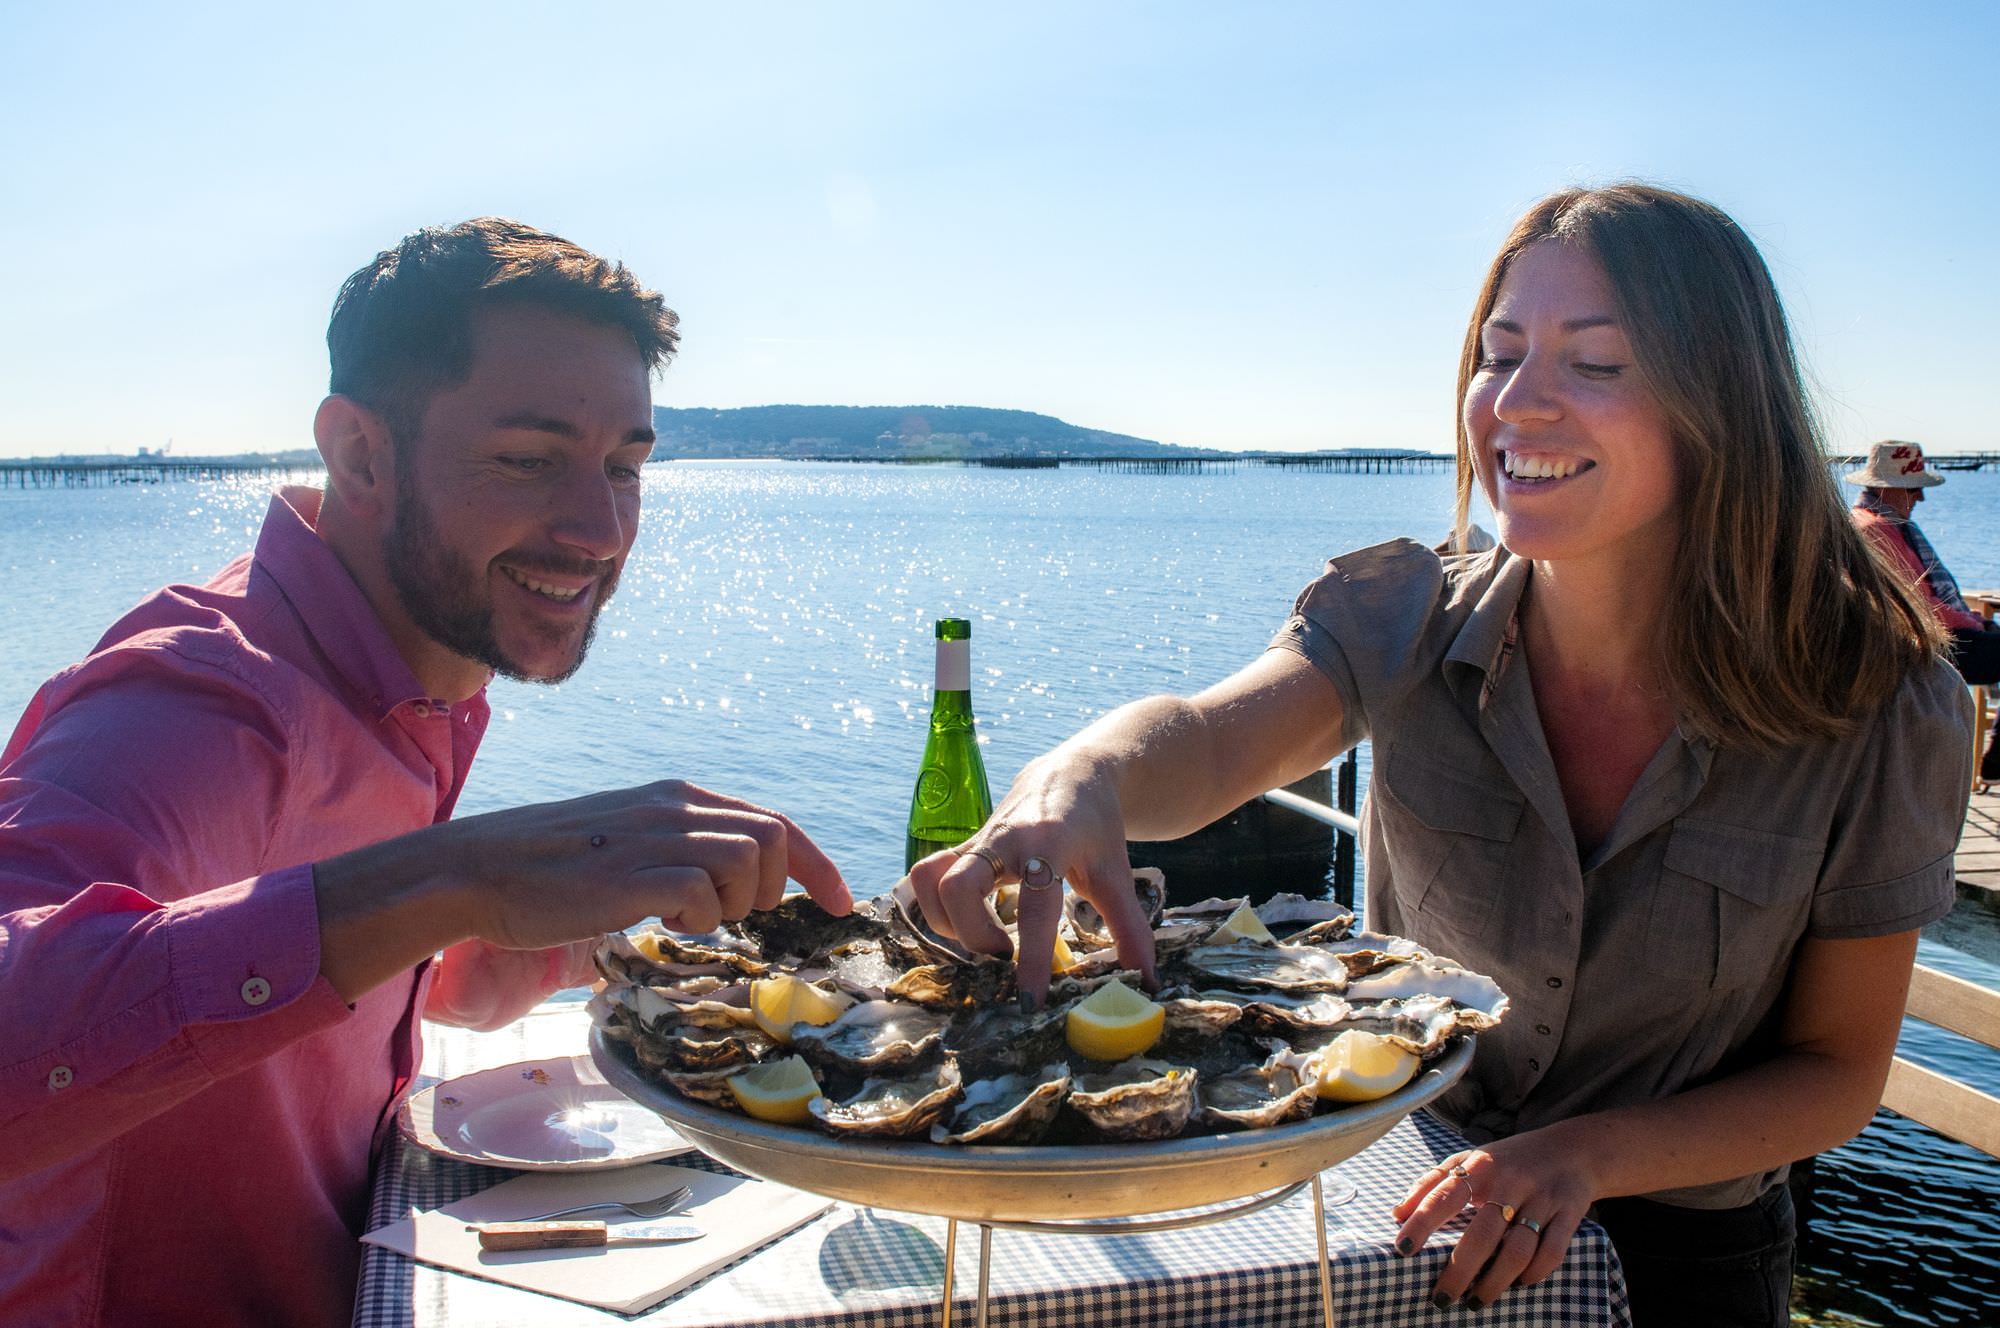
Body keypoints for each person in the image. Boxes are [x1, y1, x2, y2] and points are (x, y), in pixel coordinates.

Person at [908, 185, 1971, 1325]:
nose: (1516, 401)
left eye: (1596, 363)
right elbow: (1207, 741)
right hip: (1402, 1212)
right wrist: (1078, 776)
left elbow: (1833, 1069)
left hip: (1682, 1263)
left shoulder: (1876, 701)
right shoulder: (1404, 614)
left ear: (1722, 401)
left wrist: (1580, 1157)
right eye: (1496, 353)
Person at [0, 219, 850, 1328]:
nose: (600, 530)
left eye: (626, 466)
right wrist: (454, 874)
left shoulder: (402, 679)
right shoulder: (199, 705)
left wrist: (494, 948)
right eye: (528, 458)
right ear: (359, 454)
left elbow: (254, 934)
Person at [1846, 439, 2000, 776]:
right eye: (1913, 488)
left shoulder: (1873, 523)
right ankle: (1997, 758)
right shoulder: (1876, 530)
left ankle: (1997, 756)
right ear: (1888, 488)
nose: (1920, 497)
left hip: (1921, 637)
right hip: (1922, 646)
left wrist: (1971, 620)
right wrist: (1971, 621)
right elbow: (1916, 605)